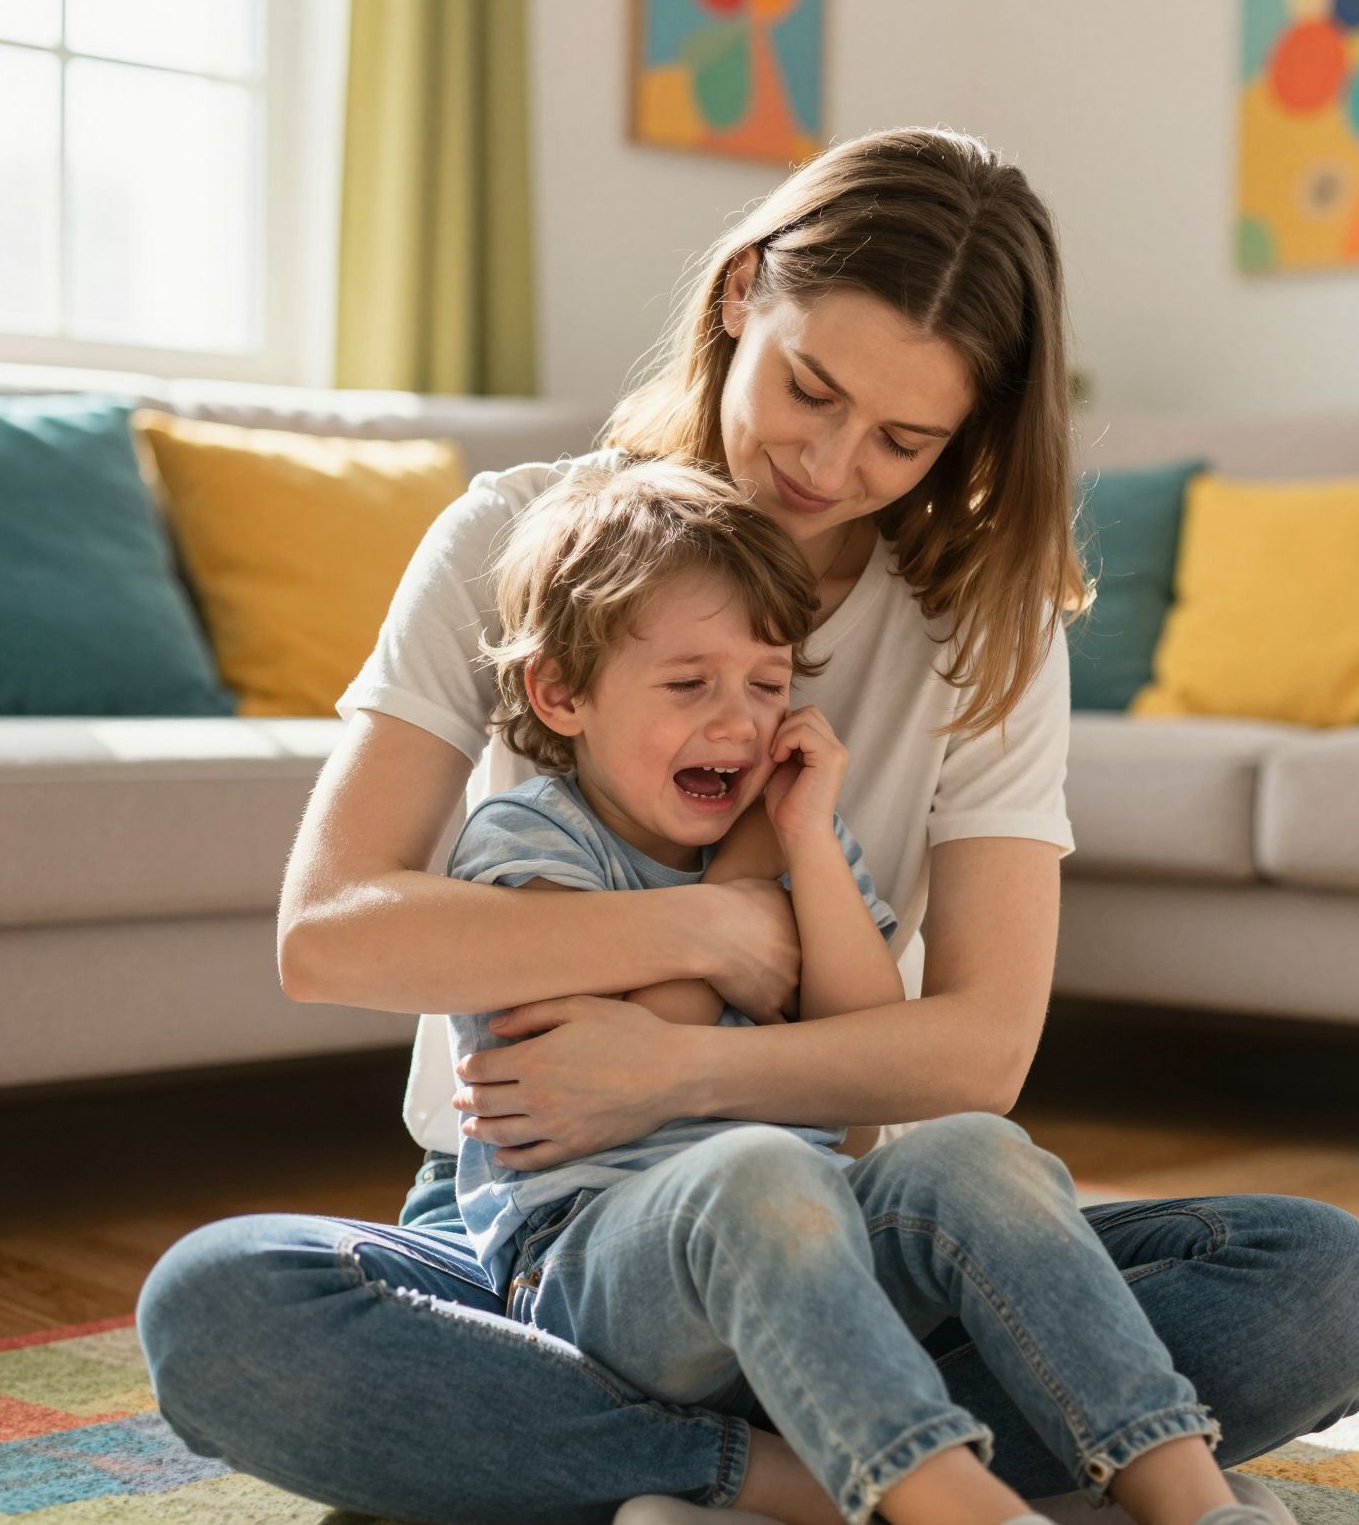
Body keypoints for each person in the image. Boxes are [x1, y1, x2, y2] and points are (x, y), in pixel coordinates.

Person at [134, 126, 1359, 1525]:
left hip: (840, 1221)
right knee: (223, 1310)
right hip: (544, 1245)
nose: (831, 460)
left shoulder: (986, 632)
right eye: (811, 388)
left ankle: (655, 1470)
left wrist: (674, 1066)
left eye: (904, 440)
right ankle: (839, 1480)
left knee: (1316, 1281)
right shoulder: (515, 540)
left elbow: (979, 1054)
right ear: (743, 292)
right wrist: (719, 925)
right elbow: (326, 939)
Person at [437, 455, 1277, 1525]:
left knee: (974, 1149)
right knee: (751, 1168)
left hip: (811, 1264)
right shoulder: (525, 840)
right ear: (562, 692)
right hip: (596, 1273)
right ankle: (961, 1509)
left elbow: (867, 1064)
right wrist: (746, 875)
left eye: (768, 683)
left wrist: (804, 844)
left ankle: (1193, 1502)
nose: (737, 724)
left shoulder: (793, 834)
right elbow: (654, 1028)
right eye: (689, 685)